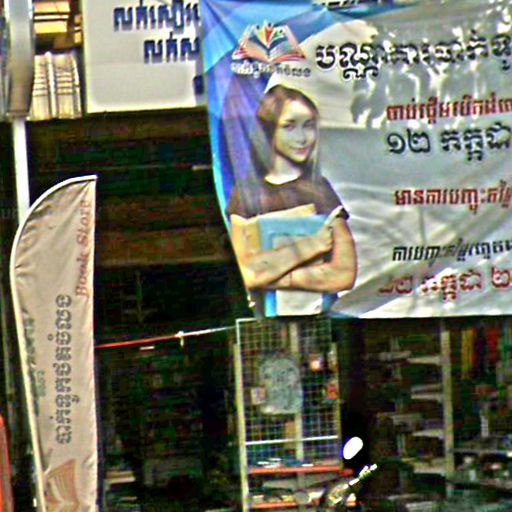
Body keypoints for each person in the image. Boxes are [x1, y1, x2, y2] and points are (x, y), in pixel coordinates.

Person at [226, 85, 357, 314]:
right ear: (269, 130)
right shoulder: (246, 193)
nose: (302, 138)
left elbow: (345, 273)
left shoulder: (320, 190)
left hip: (320, 318)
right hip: (267, 320)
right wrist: (313, 245)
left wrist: (275, 274)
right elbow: (247, 272)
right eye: (289, 126)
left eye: (308, 126)